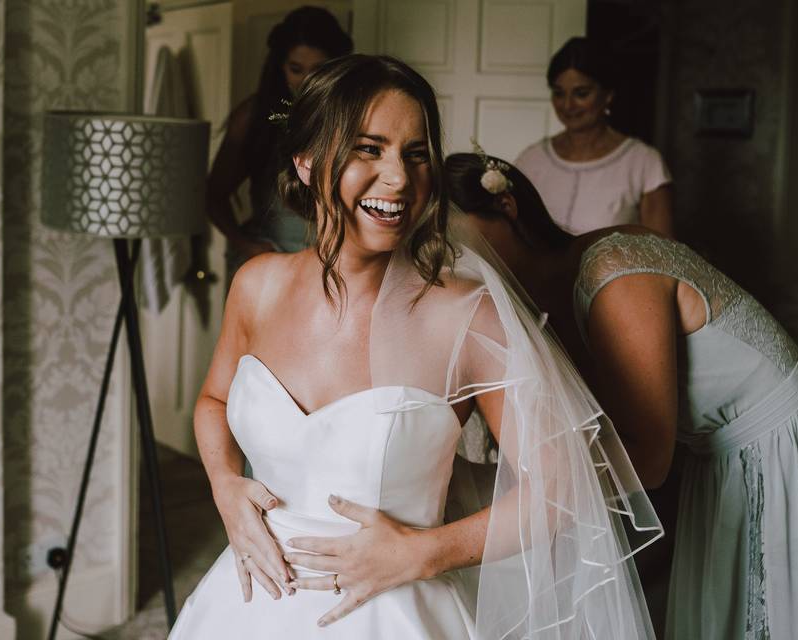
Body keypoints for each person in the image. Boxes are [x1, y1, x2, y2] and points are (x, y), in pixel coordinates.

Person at [169, 55, 662, 639]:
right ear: (306, 162)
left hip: (395, 617)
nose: (400, 178)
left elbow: (559, 490)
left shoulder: (464, 315)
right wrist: (227, 490)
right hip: (245, 606)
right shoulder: (257, 284)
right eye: (369, 149)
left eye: (416, 153)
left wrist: (422, 554)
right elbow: (214, 403)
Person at [443, 151, 798, 639]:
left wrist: (520, 499)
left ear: (506, 207)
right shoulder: (535, 311)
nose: (450, 256)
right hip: (724, 476)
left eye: (453, 234)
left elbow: (647, 460)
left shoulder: (612, 274)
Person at [206, 6, 352, 281]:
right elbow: (213, 195)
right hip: (270, 265)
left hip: (333, 267)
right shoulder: (255, 116)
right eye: (296, 69)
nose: (307, 81)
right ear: (280, 66)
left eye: (319, 69)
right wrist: (247, 246)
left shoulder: (353, 117)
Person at [514, 37, 673, 237]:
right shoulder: (532, 159)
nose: (567, 105)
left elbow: (664, 254)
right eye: (559, 93)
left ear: (608, 95)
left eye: (581, 93)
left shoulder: (643, 163)